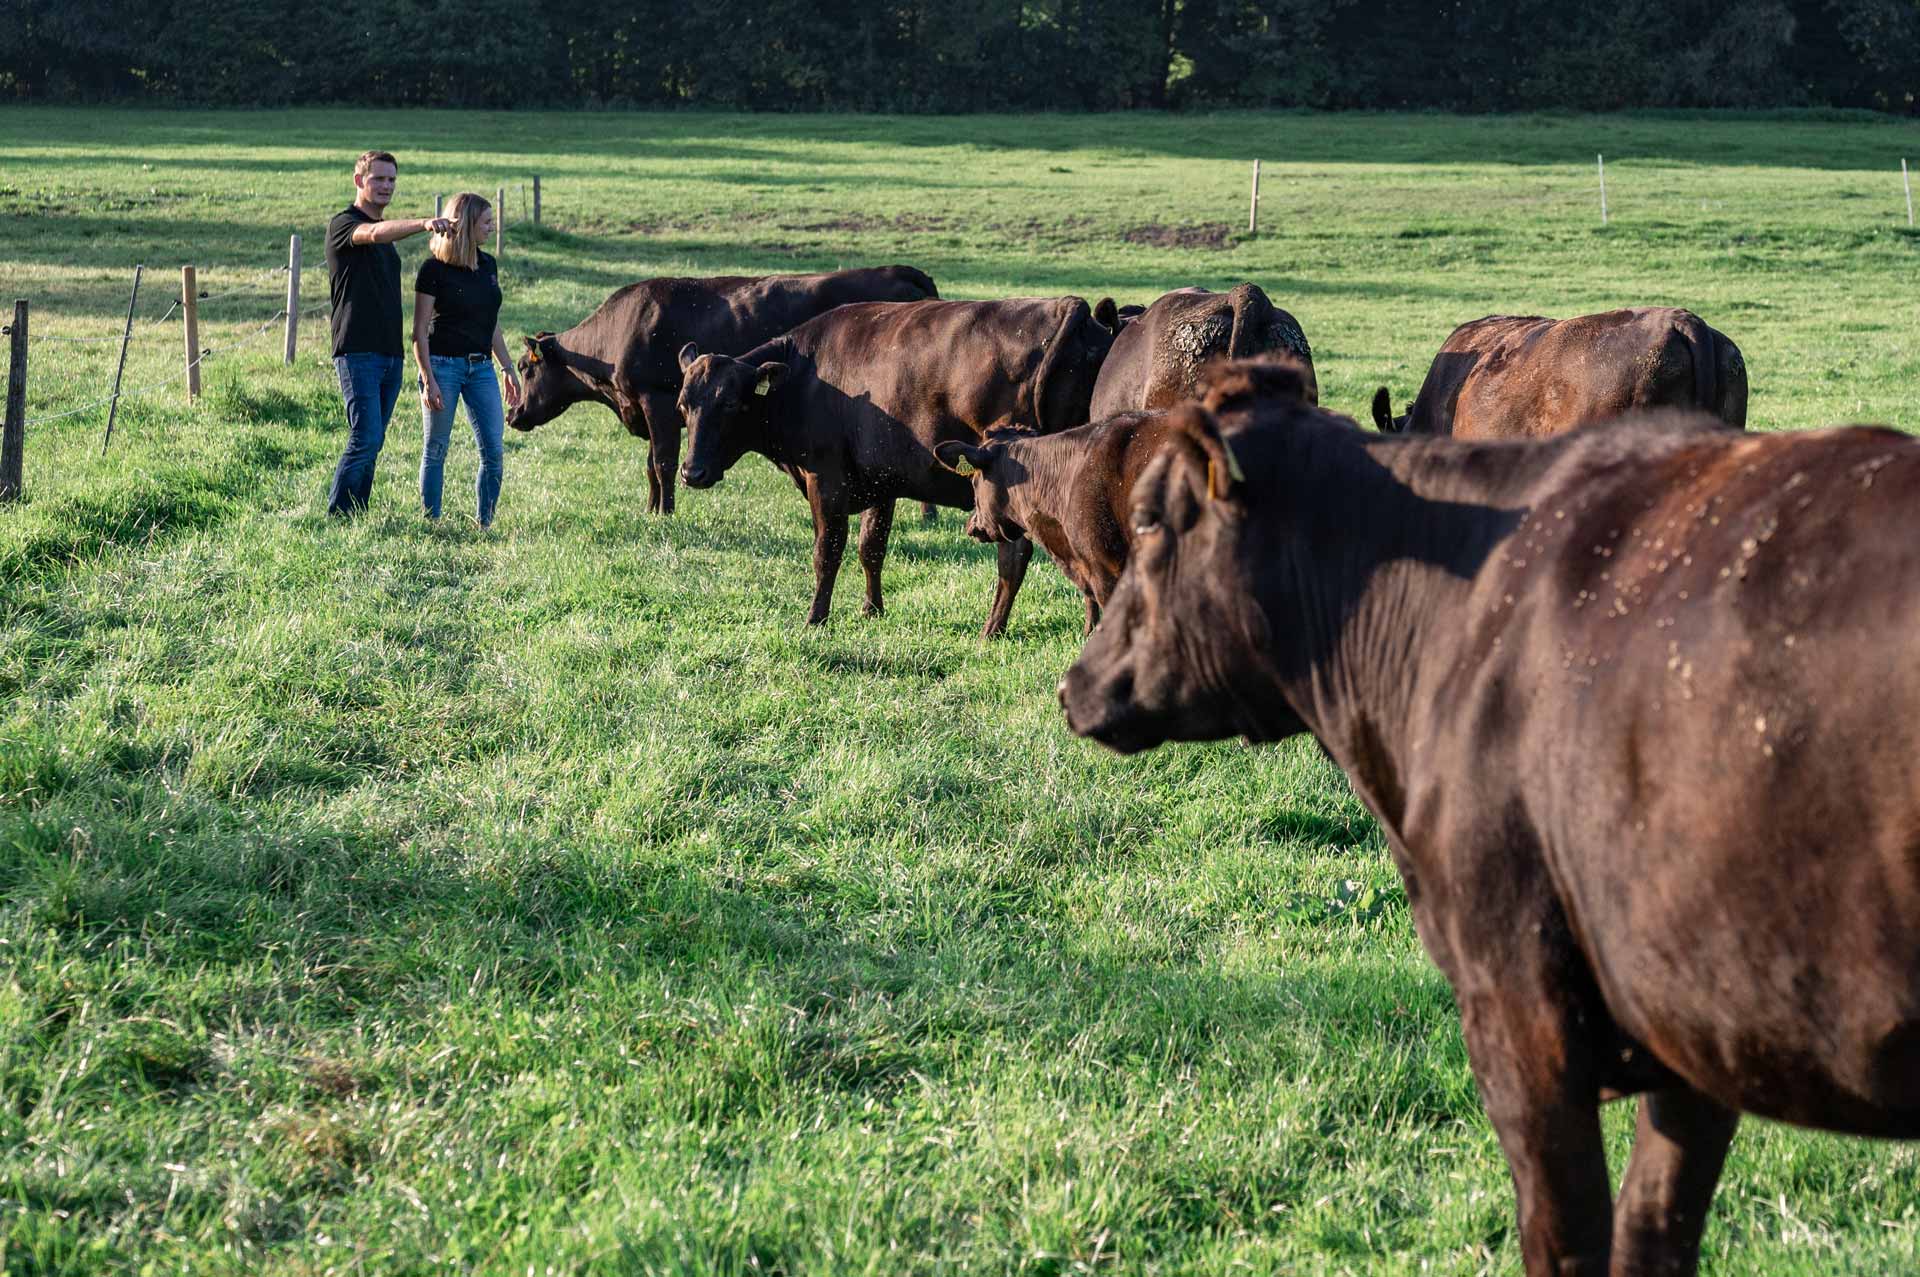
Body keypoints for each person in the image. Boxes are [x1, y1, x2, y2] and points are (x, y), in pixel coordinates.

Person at [324, 150, 450, 516]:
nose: (385, 186)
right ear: (359, 180)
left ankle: (357, 512)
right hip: (356, 349)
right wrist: (424, 223)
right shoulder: (344, 224)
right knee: (364, 436)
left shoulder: (387, 246)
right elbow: (375, 232)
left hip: (389, 354)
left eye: (391, 179)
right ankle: (338, 514)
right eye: (378, 178)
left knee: (374, 440)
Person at [412, 193, 521, 528]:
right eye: (486, 222)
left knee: (494, 453)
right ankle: (431, 523)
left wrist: (507, 367)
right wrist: (427, 378)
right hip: (442, 366)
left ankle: (484, 523)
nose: (492, 227)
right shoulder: (433, 270)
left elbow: (491, 324)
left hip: (482, 369)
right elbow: (418, 333)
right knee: (436, 449)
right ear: (466, 224)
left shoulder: (488, 265)